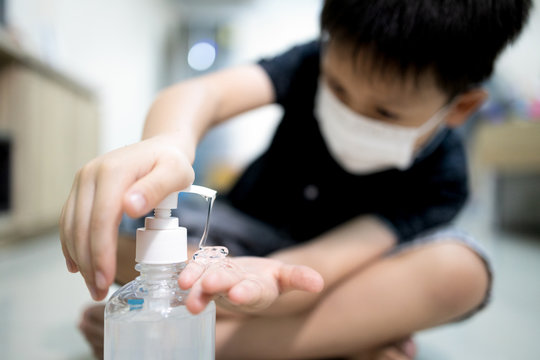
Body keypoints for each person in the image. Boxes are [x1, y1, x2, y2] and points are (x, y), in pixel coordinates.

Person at [60, 0, 532, 359]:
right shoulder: (310, 62)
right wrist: (168, 144)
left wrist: (159, 339)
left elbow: (313, 269)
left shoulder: (444, 179)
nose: (350, 113)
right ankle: (340, 340)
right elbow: (202, 93)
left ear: (462, 107)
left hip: (334, 272)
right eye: (338, 88)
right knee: (126, 220)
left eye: (385, 112)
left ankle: (207, 341)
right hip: (234, 239)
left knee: (461, 272)